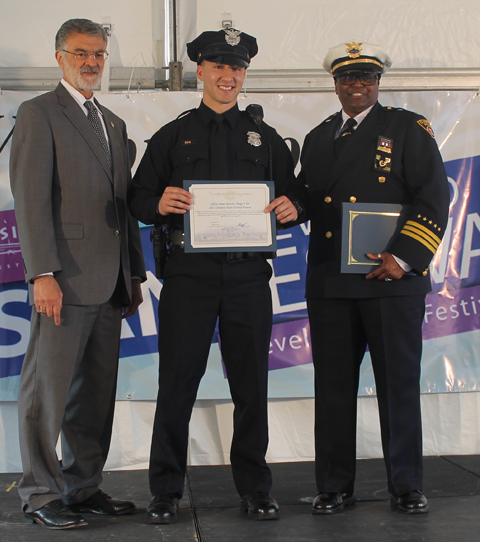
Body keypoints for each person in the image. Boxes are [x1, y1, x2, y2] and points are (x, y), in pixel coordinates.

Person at [129, 28, 301, 524]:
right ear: (200, 71)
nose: (229, 76)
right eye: (219, 66)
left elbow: (295, 195)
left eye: (238, 68)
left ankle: (255, 488)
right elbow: (139, 197)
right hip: (189, 277)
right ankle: (165, 491)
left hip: (248, 278)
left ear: (245, 75)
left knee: (252, 387)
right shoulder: (171, 135)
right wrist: (158, 205)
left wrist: (295, 205)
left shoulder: (266, 139)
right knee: (177, 385)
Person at [298, 41, 450, 515]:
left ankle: (405, 484)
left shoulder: (407, 128)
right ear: (335, 85)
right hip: (331, 283)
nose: (357, 85)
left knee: (397, 384)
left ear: (379, 82)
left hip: (391, 282)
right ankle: (335, 485)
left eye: (366, 77)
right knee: (333, 389)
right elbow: (307, 196)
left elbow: (433, 196)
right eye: (347, 79)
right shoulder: (319, 136)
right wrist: (285, 207)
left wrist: (403, 258)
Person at [10, 18, 146, 530]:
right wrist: (41, 272)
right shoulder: (38, 113)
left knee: (95, 394)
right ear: (60, 56)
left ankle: (83, 486)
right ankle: (41, 493)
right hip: (62, 281)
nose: (91, 62)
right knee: (46, 392)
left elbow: (123, 205)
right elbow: (31, 200)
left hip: (111, 283)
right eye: (81, 53)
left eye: (99, 55)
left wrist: (132, 275)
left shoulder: (112, 122)